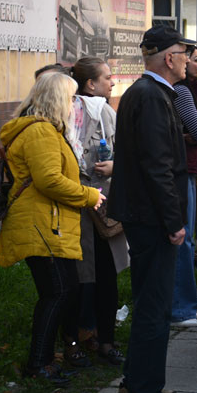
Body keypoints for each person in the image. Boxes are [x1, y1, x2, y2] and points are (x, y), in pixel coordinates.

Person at [107, 26, 196, 393]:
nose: (189, 58)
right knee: (154, 307)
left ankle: (136, 383)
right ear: (167, 57)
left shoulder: (147, 93)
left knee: (148, 301)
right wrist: (174, 221)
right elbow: (158, 166)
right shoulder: (152, 96)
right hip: (153, 217)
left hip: (143, 214)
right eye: (184, 51)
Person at [0, 71, 104, 384]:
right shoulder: (41, 132)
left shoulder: (45, 131)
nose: (74, 105)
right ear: (58, 100)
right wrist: (90, 196)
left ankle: (44, 359)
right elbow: (49, 180)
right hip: (41, 225)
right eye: (71, 98)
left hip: (47, 223)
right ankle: (38, 364)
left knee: (62, 291)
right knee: (57, 293)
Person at [68, 57, 129, 368]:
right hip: (77, 207)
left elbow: (125, 152)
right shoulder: (69, 111)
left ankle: (104, 340)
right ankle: (79, 339)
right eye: (107, 78)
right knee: (79, 279)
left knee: (104, 276)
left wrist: (115, 165)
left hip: (102, 208)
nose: (112, 83)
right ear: (90, 84)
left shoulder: (105, 112)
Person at [171, 45, 197, 328]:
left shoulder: (194, 89)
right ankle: (181, 308)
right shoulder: (184, 91)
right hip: (184, 168)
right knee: (183, 239)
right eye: (196, 60)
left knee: (187, 239)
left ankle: (187, 305)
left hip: (190, 166)